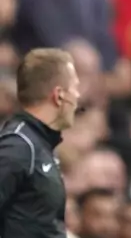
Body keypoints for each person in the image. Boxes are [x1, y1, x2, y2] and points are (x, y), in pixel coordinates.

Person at [0, 48, 81, 237]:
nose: (78, 97)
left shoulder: (39, 144)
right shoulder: (19, 146)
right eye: (75, 88)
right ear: (59, 95)